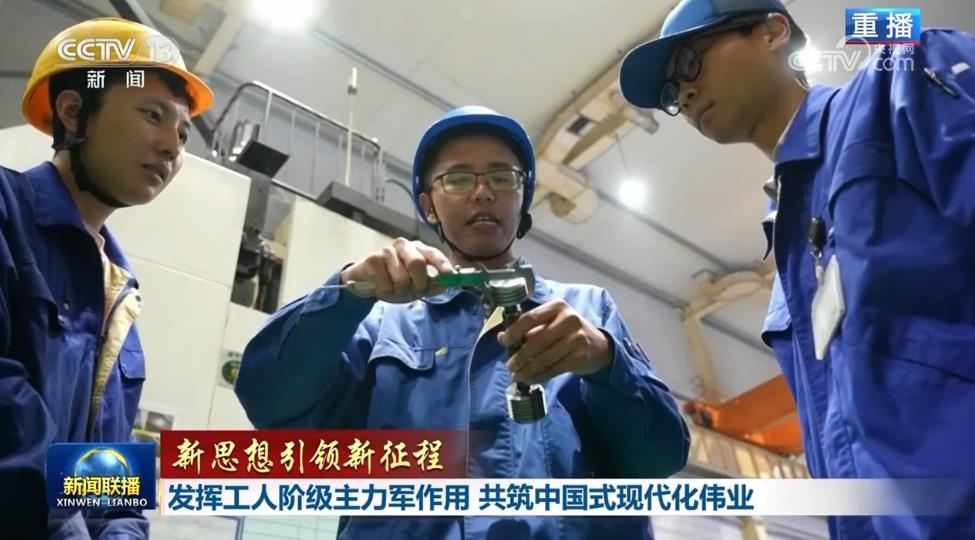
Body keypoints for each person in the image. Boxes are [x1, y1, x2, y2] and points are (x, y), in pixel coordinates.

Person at [235, 105, 689, 540]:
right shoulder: (380, 326)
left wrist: (606, 363)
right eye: (457, 178)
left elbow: (659, 458)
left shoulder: (588, 312)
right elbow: (271, 404)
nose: (483, 192)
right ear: (428, 206)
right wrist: (345, 292)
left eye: (502, 177)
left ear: (523, 197)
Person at [619, 0, 975, 538]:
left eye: (690, 62)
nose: (684, 95)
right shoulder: (787, 256)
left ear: (772, 32)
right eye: (671, 92)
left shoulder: (899, 79)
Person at [0, 17, 213, 538]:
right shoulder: (6, 215)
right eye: (152, 115)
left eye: (183, 133)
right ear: (74, 112)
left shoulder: (119, 296)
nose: (172, 146)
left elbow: (110, 481)